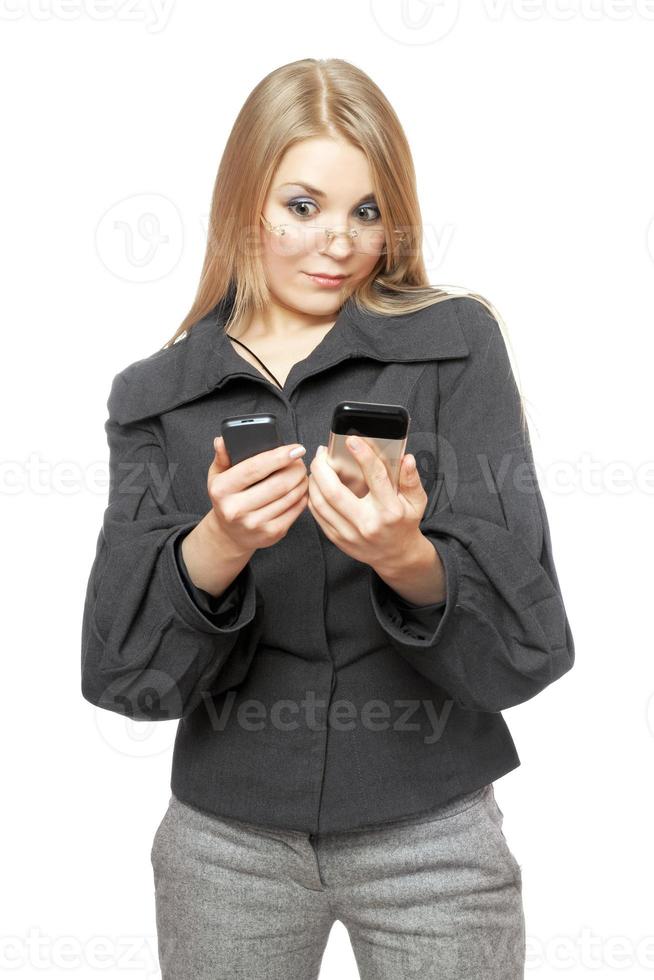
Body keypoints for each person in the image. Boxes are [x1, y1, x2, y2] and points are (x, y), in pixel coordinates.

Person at [80, 57, 575, 980]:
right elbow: (122, 675)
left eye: (368, 211)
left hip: (433, 831)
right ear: (243, 207)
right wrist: (216, 547)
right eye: (302, 207)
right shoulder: (154, 397)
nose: (339, 244)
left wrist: (409, 558)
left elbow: (528, 643)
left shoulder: (455, 345)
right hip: (224, 847)